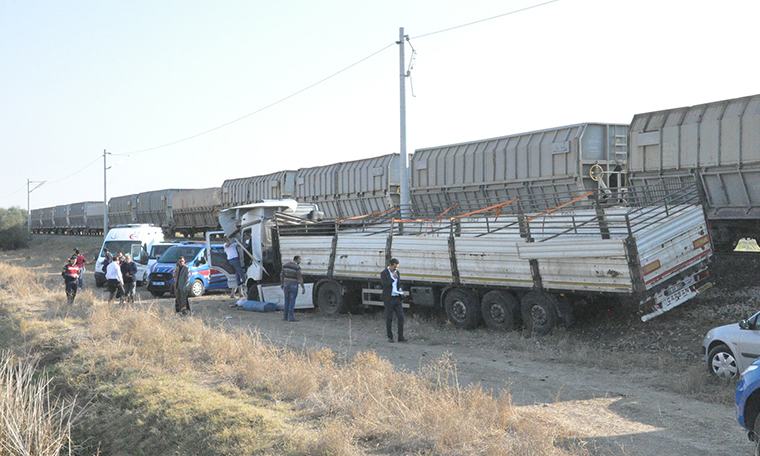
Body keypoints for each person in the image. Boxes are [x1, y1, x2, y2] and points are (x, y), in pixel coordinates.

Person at [380, 258, 405, 342]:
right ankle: (390, 337)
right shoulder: (384, 273)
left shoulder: (397, 273)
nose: (395, 269)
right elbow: (384, 285)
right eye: (394, 267)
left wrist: (400, 288)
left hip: (397, 297)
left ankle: (400, 336)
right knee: (389, 317)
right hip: (389, 298)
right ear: (390, 265)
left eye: (397, 268)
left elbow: (399, 283)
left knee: (401, 317)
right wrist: (392, 279)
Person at [280, 255, 305, 322]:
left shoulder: (285, 266)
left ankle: (285, 317)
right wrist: (303, 287)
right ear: (297, 260)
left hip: (286, 284)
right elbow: (300, 278)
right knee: (292, 301)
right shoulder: (297, 268)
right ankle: (291, 317)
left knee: (286, 301)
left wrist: (282, 284)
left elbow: (282, 275)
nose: (300, 261)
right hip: (293, 285)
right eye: (300, 259)